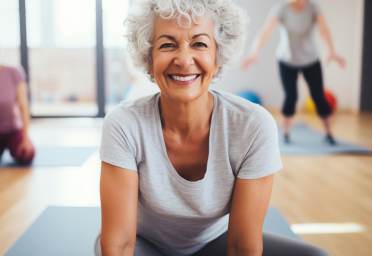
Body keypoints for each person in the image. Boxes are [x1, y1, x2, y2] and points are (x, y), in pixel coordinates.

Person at [96, 0, 327, 255]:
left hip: (214, 243)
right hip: (145, 245)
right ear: (149, 59)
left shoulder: (253, 125)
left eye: (199, 44)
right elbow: (120, 244)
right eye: (167, 45)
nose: (184, 60)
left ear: (218, 56)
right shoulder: (124, 124)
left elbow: (242, 246)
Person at [241, 0, 345, 145]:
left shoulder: (314, 8)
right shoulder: (281, 9)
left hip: (311, 59)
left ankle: (329, 133)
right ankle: (286, 134)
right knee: (291, 97)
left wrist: (331, 51)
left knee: (319, 97)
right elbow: (265, 32)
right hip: (286, 60)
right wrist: (254, 53)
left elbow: (324, 30)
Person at [0, 65, 35, 165]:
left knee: (27, 153)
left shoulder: (13, 72)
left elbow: (23, 107)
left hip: (13, 131)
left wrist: (26, 139)